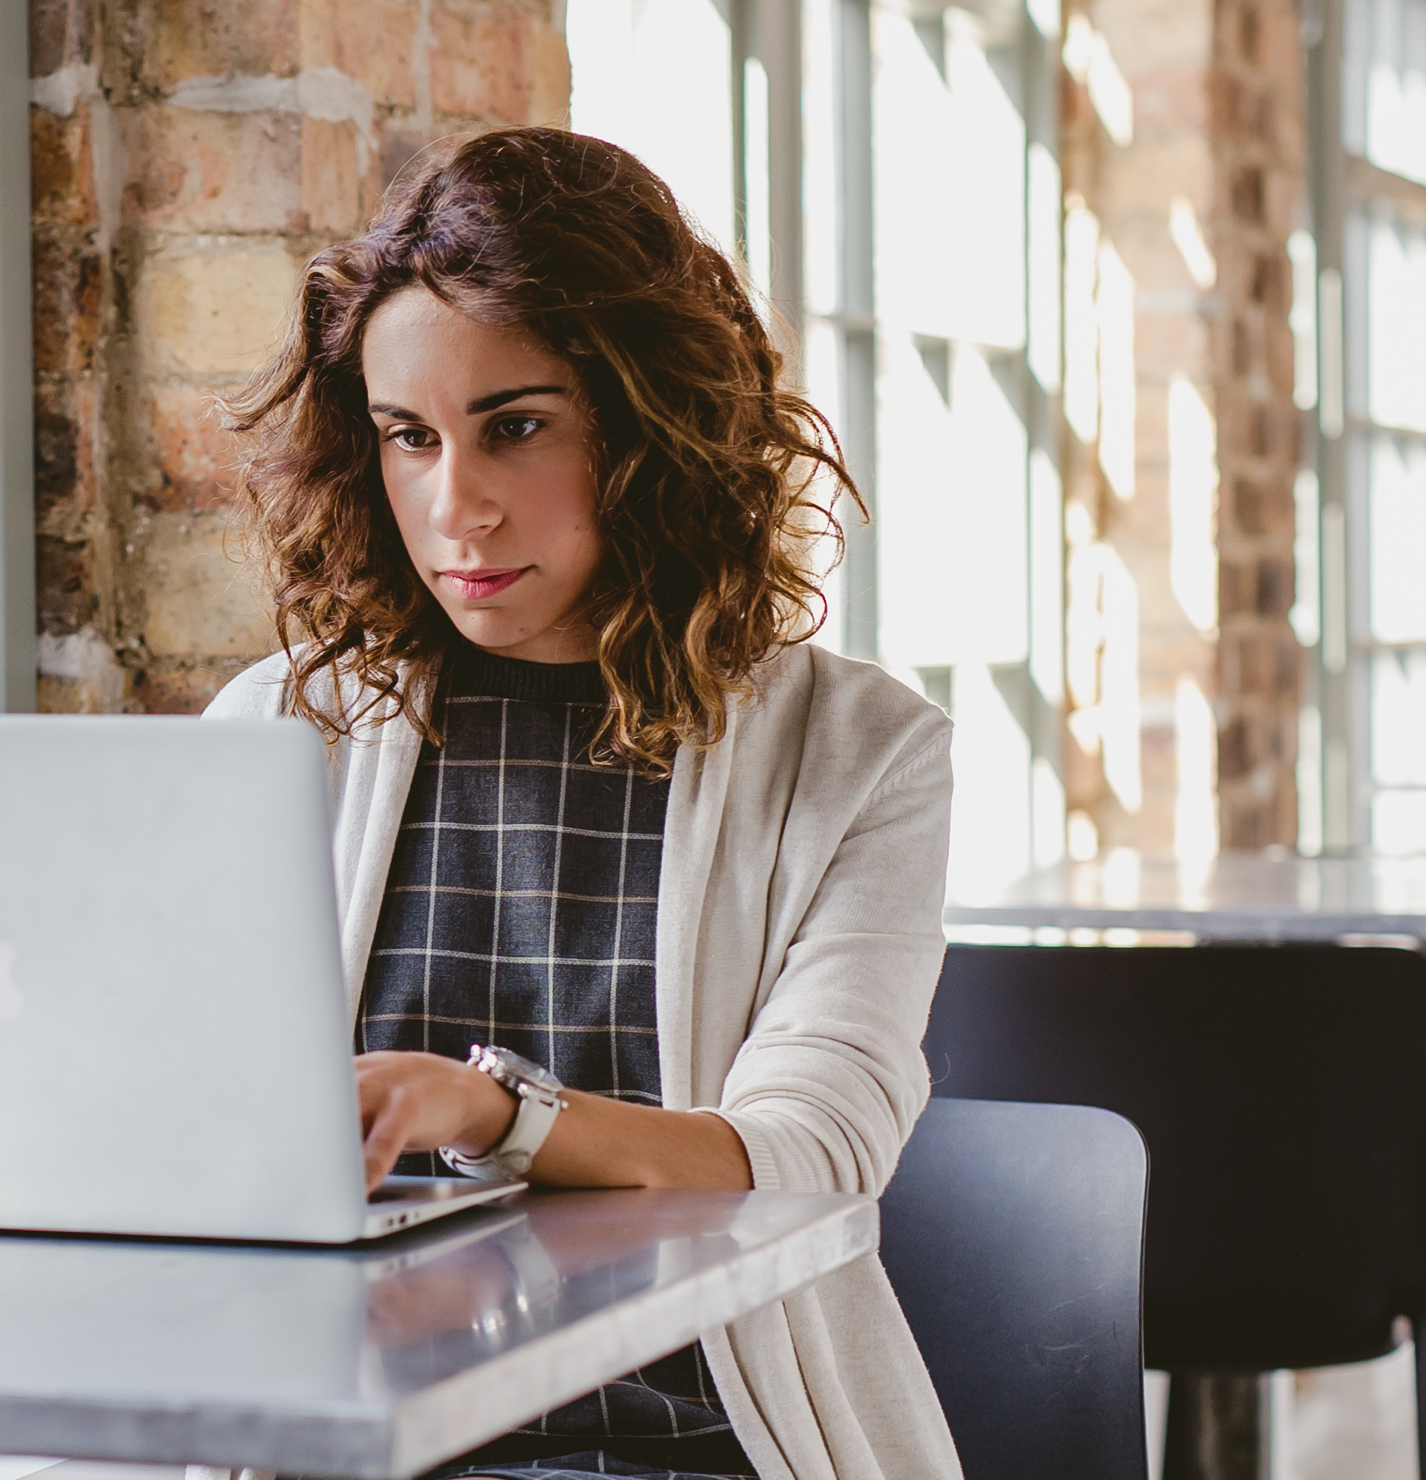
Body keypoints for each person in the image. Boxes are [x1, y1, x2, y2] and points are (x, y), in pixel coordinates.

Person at [206, 126, 960, 1480]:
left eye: (517, 427)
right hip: (355, 1446)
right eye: (407, 438)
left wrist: (495, 1117)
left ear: (653, 427)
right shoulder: (277, 728)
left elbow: (813, 1154)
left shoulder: (860, 754)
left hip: (698, 1443)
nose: (458, 510)